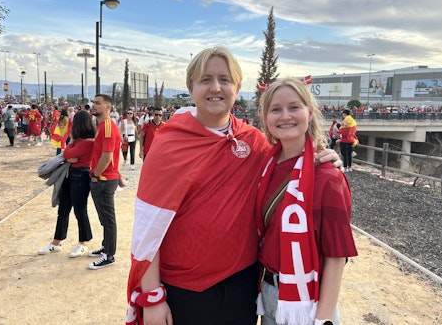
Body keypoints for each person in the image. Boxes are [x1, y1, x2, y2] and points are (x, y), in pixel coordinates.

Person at [125, 47, 341, 325]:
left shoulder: (253, 141)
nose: (216, 87)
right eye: (206, 79)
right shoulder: (169, 144)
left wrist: (323, 157)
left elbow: (289, 161)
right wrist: (152, 296)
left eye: (225, 80)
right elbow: (148, 228)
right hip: (184, 289)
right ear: (191, 88)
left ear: (237, 88)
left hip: (242, 285)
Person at [255, 78, 358, 325]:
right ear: (266, 118)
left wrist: (323, 320)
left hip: (307, 302)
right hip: (266, 294)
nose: (285, 116)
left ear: (309, 113)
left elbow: (336, 258)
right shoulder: (262, 168)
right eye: (276, 109)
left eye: (294, 107)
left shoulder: (327, 176)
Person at [38, 110, 96, 258]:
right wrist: (70, 148)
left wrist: (70, 145)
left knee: (79, 210)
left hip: (81, 176)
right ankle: (56, 242)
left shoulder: (88, 142)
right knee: (63, 209)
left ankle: (83, 243)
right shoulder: (79, 141)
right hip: (70, 174)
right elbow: (68, 154)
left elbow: (66, 154)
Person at [88, 94, 123, 270]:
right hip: (102, 178)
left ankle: (109, 255)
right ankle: (106, 245)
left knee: (108, 219)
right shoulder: (102, 126)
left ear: (107, 107)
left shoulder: (107, 127)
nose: (93, 106)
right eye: (93, 103)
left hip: (103, 179)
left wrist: (95, 173)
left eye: (98, 103)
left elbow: (108, 155)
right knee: (104, 218)